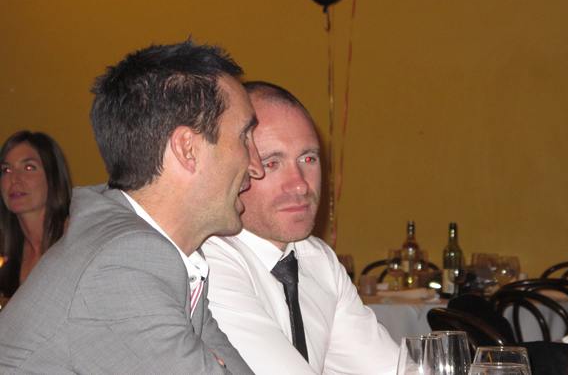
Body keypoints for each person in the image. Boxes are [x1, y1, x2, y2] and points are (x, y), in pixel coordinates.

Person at [0, 39, 262, 374]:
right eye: (243, 136)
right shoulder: (122, 264)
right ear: (187, 149)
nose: (256, 166)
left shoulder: (149, 252)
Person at [202, 81, 400, 375]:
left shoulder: (316, 258)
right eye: (271, 163)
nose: (299, 184)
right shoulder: (207, 263)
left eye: (308, 159)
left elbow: (389, 369)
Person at [0, 131, 71, 297]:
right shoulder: (5, 254)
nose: (14, 179)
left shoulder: (74, 238)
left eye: (28, 167)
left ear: (53, 178)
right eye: (6, 170)